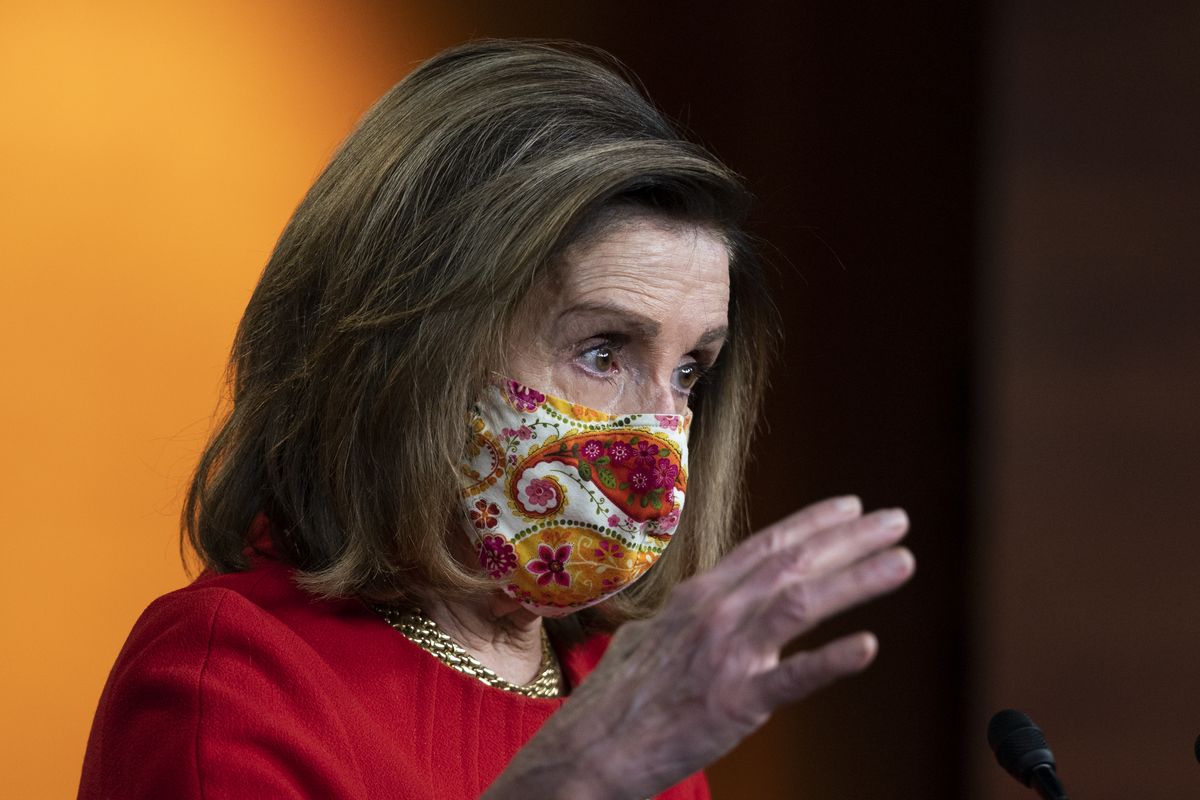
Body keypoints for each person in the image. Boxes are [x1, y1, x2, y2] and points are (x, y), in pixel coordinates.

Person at [78, 39, 914, 799]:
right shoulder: (229, 675)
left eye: (691, 370)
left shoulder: (618, 695)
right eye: (603, 350)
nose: (660, 439)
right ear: (412, 350)